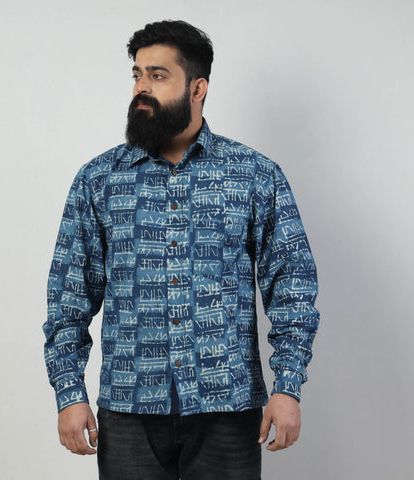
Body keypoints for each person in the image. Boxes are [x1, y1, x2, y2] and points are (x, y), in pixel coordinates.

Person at [43, 20, 320, 480]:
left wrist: (288, 386)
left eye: (158, 75)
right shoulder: (99, 179)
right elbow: (68, 297)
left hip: (227, 411)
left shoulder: (254, 174)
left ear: (197, 88)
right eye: (137, 75)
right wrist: (69, 394)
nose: (142, 88)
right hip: (129, 413)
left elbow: (293, 287)